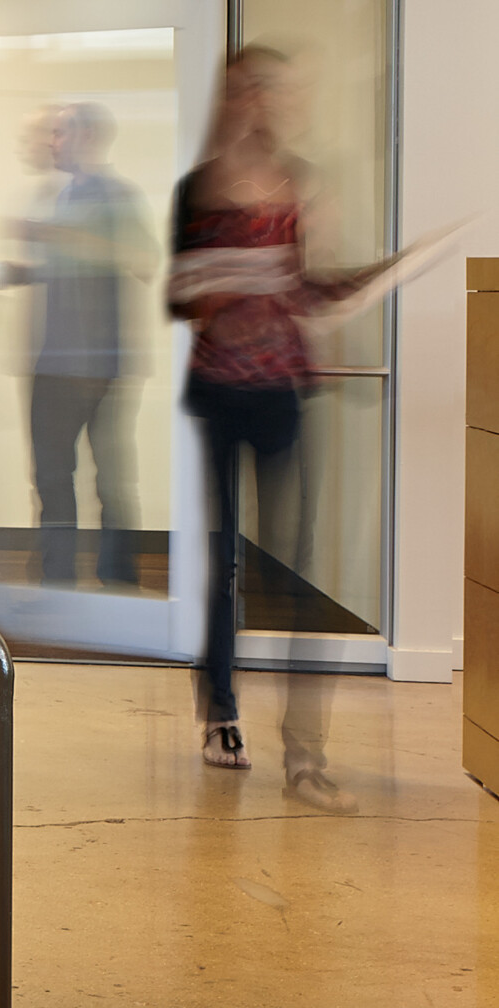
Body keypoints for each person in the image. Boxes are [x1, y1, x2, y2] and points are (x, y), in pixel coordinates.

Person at [169, 44, 364, 807]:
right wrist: (222, 290)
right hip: (219, 393)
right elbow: (179, 298)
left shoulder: (300, 184)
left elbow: (306, 286)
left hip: (281, 391)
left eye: (268, 91)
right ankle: (220, 711)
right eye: (244, 90)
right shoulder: (197, 190)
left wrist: (345, 286)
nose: (259, 103)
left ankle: (306, 755)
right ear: (228, 100)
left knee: (299, 570)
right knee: (226, 565)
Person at [0, 101, 152, 587]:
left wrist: (54, 241)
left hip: (96, 363)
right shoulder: (58, 197)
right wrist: (30, 267)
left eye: (60, 133)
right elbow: (73, 266)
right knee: (53, 479)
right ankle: (59, 580)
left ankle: (115, 582)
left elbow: (143, 259)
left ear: (85, 138)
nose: (51, 142)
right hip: (57, 361)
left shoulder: (114, 196)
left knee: (106, 481)